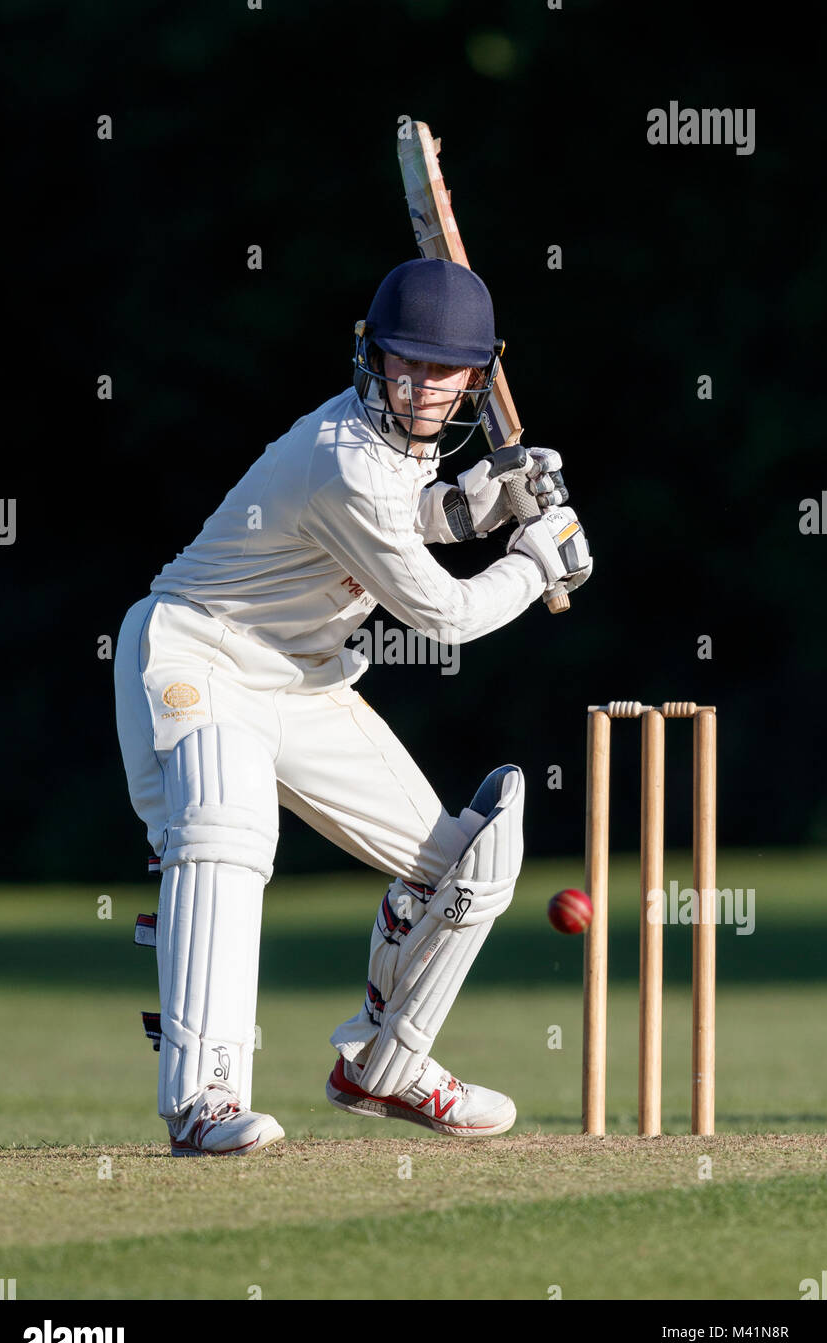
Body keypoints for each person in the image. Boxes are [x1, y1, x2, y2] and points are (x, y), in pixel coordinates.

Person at [114, 258, 592, 1156]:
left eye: (439, 370)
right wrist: (535, 562)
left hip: (302, 681)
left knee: (470, 865)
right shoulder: (339, 460)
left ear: (474, 380)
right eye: (402, 362)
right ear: (372, 357)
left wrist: (478, 505)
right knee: (226, 822)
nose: (417, 385)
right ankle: (203, 1100)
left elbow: (414, 512)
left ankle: (386, 1063)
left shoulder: (393, 462)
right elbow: (444, 615)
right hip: (199, 652)